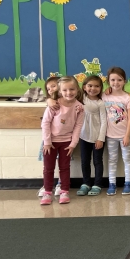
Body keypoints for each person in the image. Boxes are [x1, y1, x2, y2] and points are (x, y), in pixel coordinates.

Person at [40, 76, 84, 205]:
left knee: (64, 167)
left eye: (72, 89)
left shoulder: (79, 107)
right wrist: (47, 142)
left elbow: (78, 126)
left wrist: (73, 143)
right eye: (65, 90)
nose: (68, 93)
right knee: (48, 168)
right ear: (59, 91)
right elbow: (45, 123)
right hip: (51, 143)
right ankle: (47, 192)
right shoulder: (54, 105)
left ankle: (64, 191)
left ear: (77, 89)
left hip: (66, 142)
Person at [103, 67, 130, 195]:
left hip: (124, 136)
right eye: (113, 80)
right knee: (112, 160)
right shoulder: (104, 96)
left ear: (124, 81)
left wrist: (127, 135)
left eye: (119, 80)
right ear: (108, 81)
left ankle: (128, 183)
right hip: (110, 135)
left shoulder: (127, 98)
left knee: (127, 159)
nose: (116, 82)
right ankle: (112, 184)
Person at [76, 75, 107, 196]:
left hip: (97, 138)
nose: (93, 88)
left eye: (96, 86)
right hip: (84, 136)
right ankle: (86, 183)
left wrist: (100, 138)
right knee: (85, 161)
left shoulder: (100, 103)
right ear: (84, 87)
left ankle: (97, 184)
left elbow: (104, 122)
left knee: (97, 161)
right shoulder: (80, 98)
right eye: (90, 85)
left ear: (101, 88)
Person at [37, 76, 62, 198]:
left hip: (63, 139)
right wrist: (49, 100)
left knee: (63, 164)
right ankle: (47, 186)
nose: (51, 89)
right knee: (48, 164)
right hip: (49, 139)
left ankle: (60, 184)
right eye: (48, 88)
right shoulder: (50, 103)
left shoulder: (70, 101)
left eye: (53, 86)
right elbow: (45, 123)